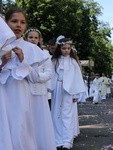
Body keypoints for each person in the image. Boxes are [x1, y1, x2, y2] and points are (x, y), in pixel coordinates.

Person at [0, 7, 51, 149]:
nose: (18, 25)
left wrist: (23, 60)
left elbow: (35, 78)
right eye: (14, 21)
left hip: (21, 96)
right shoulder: (1, 45)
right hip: (2, 94)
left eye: (22, 22)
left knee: (20, 128)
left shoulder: (31, 48)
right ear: (6, 22)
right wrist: (3, 63)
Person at [50, 37, 85, 150]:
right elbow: (51, 75)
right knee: (56, 114)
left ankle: (67, 141)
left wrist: (76, 94)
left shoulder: (73, 62)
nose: (66, 50)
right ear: (59, 48)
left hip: (69, 91)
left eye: (68, 48)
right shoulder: (55, 61)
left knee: (67, 115)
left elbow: (77, 78)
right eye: (64, 48)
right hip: (57, 88)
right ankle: (57, 140)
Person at [24, 28, 56, 149]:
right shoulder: (21, 52)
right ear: (26, 38)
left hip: (39, 92)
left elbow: (49, 73)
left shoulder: (45, 54)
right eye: (30, 37)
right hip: (24, 91)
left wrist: (35, 77)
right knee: (27, 121)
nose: (33, 40)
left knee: (39, 121)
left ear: (39, 40)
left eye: (35, 37)